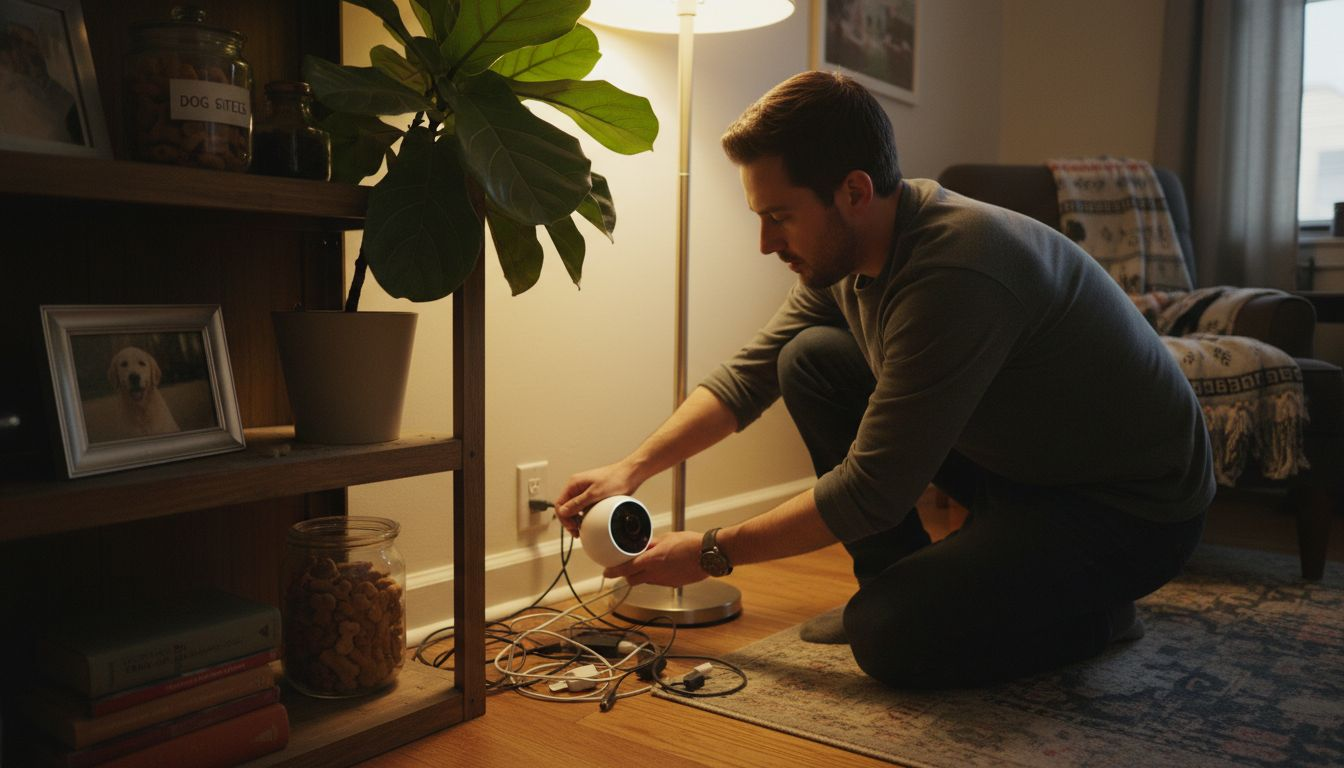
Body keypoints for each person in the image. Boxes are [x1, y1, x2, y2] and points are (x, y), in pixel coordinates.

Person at [555, 71, 1214, 689]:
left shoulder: (957, 270)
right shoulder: (852, 255)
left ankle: (1096, 615)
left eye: (778, 216)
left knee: (889, 640)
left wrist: (710, 552)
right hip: (1027, 470)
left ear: (854, 192)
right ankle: (891, 580)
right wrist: (630, 468)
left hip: (1127, 508)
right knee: (808, 359)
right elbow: (749, 377)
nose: (764, 242)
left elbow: (873, 490)